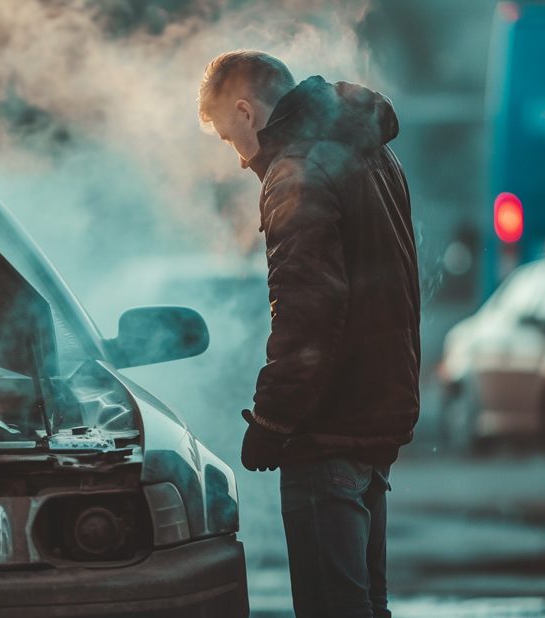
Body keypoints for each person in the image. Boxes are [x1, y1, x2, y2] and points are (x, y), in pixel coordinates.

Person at [198, 50, 420, 618]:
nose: (236, 157)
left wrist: (273, 421)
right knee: (368, 605)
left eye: (228, 138)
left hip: (327, 429)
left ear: (246, 112)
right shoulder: (370, 150)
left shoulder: (296, 170)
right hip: (375, 416)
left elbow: (306, 313)